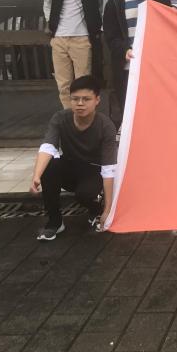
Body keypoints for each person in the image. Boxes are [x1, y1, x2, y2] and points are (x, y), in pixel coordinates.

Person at [31, 75, 117, 240]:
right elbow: (47, 147)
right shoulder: (60, 118)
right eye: (75, 99)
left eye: (86, 99)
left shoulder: (106, 126)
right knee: (49, 166)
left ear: (97, 100)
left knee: (84, 194)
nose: (80, 103)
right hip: (71, 166)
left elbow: (109, 169)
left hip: (94, 171)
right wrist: (36, 176)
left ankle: (96, 209)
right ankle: (55, 222)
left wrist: (108, 211)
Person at [102, 0, 172, 120]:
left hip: (155, 66)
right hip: (127, 67)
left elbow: (168, 33)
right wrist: (124, 50)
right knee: (129, 111)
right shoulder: (115, 1)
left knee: (156, 111)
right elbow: (111, 36)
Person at [43, 0, 103, 109]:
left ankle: (84, 115)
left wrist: (97, 26)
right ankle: (69, 116)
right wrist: (50, 22)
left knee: (83, 82)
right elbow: (47, 4)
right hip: (59, 38)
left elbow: (99, 6)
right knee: (63, 84)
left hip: (82, 38)